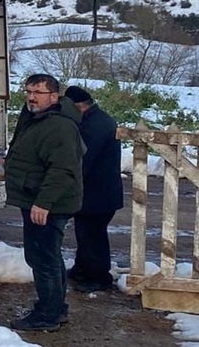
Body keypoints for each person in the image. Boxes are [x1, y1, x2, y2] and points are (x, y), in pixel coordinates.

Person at [5, 74, 83, 332]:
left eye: (37, 92)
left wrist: (44, 203)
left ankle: (46, 316)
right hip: (35, 198)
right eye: (28, 91)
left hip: (47, 204)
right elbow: (32, 155)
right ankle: (56, 308)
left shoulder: (60, 126)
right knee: (47, 257)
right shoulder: (35, 118)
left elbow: (62, 169)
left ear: (54, 96)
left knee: (43, 259)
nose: (30, 97)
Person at [64, 85, 123, 293]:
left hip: (97, 193)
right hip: (99, 192)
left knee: (93, 235)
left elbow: (83, 159)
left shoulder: (94, 125)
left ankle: (99, 276)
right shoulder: (97, 119)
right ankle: (82, 269)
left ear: (78, 106)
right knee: (86, 233)